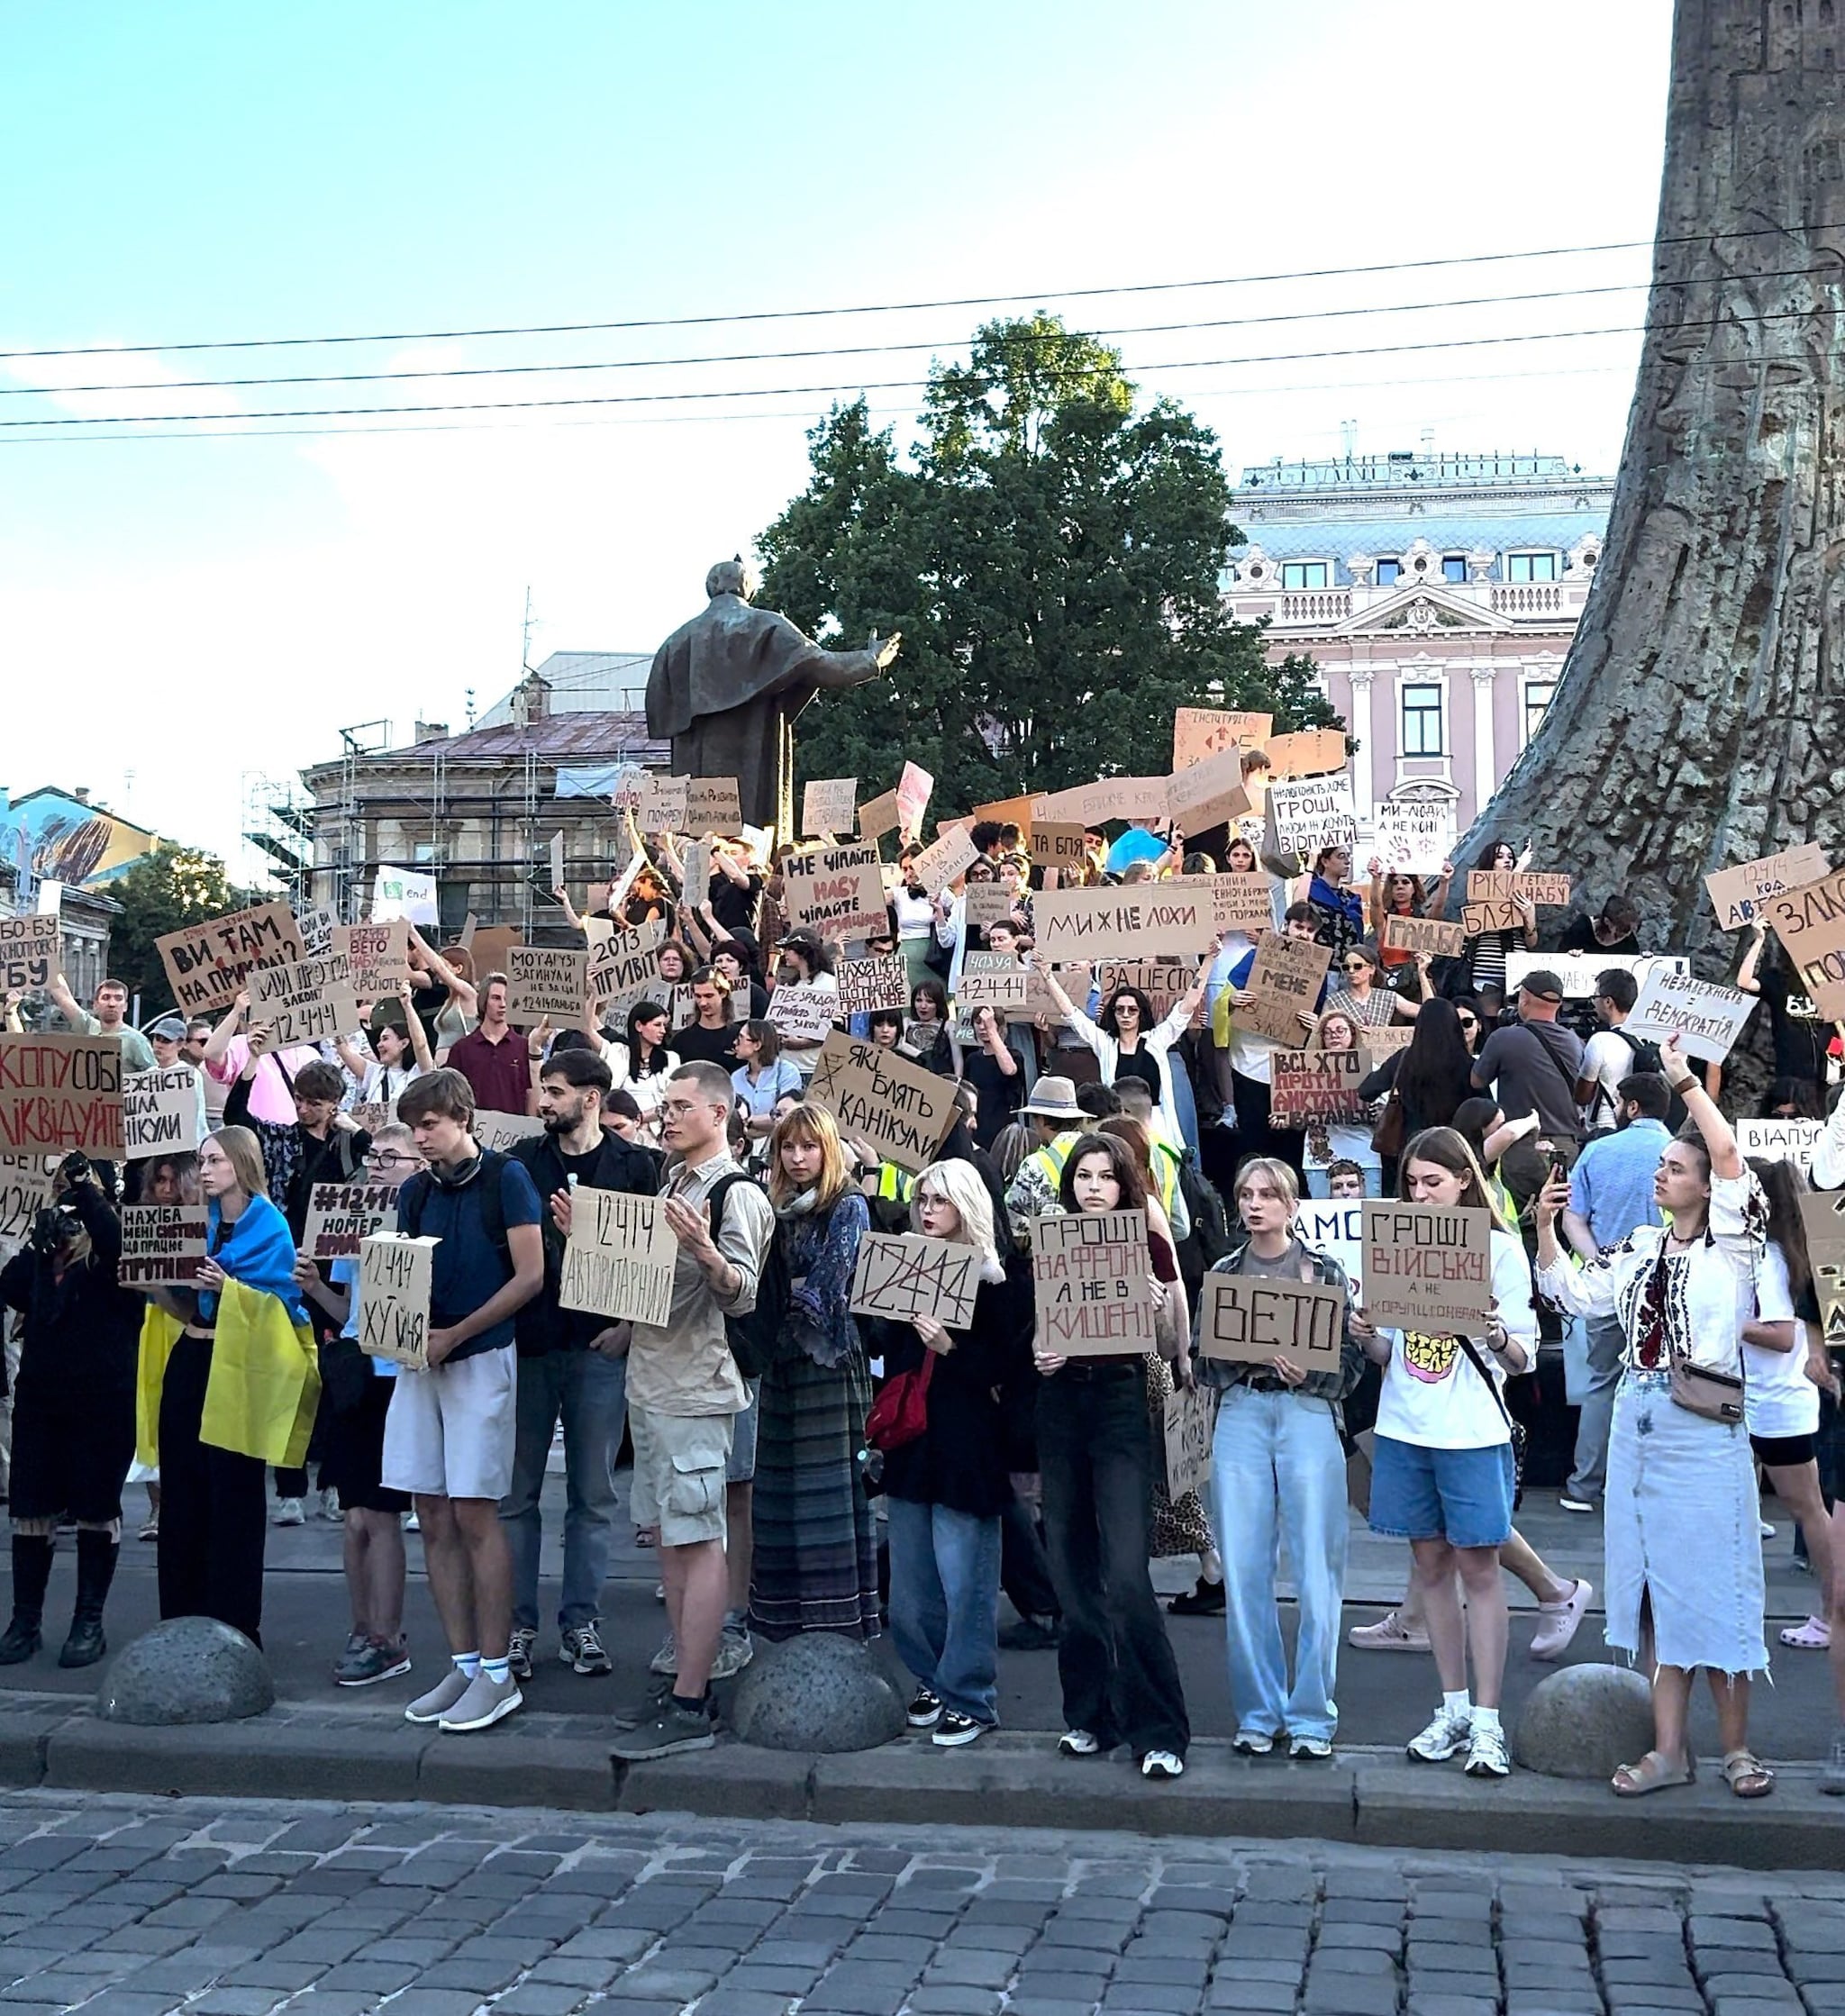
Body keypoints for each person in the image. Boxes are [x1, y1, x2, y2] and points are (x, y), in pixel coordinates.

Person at [1535, 1039, 1773, 1797]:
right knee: (1654, 1596)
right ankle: (1671, 1750)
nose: (1660, 1175)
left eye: (1674, 1167)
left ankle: (1736, 1749)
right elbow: (1577, 1297)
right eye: (1662, 1166)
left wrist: (1681, 1081)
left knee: (1716, 1586)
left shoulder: (1733, 1248)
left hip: (1702, 1431)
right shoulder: (1638, 1248)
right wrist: (1545, 1230)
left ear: (1706, 1187)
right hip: (1638, 1432)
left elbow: (1730, 1150)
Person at [1352, 1126, 1538, 1779]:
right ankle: (1453, 1706)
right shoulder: (1395, 1245)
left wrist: (1494, 1333)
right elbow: (1388, 1355)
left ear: (1465, 1180)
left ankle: (1488, 1721)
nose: (1422, 1194)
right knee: (1429, 1565)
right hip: (1407, 1424)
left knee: (1480, 1568)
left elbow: (1522, 1356)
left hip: (1471, 1429)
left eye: (1434, 1181)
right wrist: (1368, 1333)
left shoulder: (1501, 1251)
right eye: (1412, 1183)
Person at [610, 1061, 775, 1760]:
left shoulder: (736, 1193)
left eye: (681, 1106)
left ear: (718, 1112)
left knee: (699, 1540)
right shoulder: (675, 1179)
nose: (667, 1116)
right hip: (652, 1381)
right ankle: (684, 1673)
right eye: (665, 1105)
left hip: (696, 1389)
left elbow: (741, 1292)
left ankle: (692, 1698)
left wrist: (707, 1251)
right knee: (672, 1542)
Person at [386, 1070, 546, 1735]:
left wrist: (459, 1331)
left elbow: (532, 1275)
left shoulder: (507, 1179)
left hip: (480, 1356)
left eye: (431, 1124)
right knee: (430, 1508)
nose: (421, 1138)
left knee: (477, 1511)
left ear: (463, 1118)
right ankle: (461, 1660)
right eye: (415, 1126)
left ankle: (497, 1670)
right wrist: (403, 1327)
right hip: (425, 1359)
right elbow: (400, 1273)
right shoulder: (414, 1191)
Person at [1034, 1133, 1190, 1780]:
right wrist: (1039, 1354)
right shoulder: (1047, 1242)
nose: (1093, 1186)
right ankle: (1090, 1716)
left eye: (1105, 1176)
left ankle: (1160, 1730)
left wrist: (1155, 1311)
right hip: (1061, 1407)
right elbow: (1030, 1327)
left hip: (1123, 1404)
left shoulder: (1145, 1241)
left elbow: (1176, 1337)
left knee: (1126, 1574)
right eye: (1083, 1176)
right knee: (1071, 1572)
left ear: (1125, 1185)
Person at [500, 1049, 657, 1681]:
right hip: (533, 1344)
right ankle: (515, 1625)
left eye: (557, 1091)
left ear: (592, 1099)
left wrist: (628, 1327)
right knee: (517, 1495)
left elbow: (651, 1259)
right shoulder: (520, 1163)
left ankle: (581, 1621)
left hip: (599, 1348)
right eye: (544, 1089)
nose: (545, 1101)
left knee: (593, 1494)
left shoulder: (637, 1165)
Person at [1201, 1158, 1364, 1758]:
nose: (1255, 1203)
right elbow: (1202, 1362)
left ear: (1292, 1205)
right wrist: (1242, 1361)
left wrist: (1309, 1372)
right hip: (1242, 1412)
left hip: (1306, 1414)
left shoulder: (1324, 1272)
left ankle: (1313, 1716)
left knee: (1319, 1570)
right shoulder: (1223, 1270)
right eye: (1246, 1193)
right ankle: (1258, 1712)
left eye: (1268, 1194)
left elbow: (1349, 1370)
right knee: (1244, 1570)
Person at [872, 1159, 1032, 1745]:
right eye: (922, 1200)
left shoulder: (1001, 1281)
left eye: (939, 1200)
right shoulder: (907, 1260)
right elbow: (883, 1347)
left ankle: (970, 1694)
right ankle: (932, 1680)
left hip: (968, 1445)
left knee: (966, 1581)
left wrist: (947, 1344)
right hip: (914, 1444)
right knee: (912, 1591)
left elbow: (1003, 1369)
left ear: (966, 1205)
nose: (928, 1210)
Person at [157, 1126, 306, 1646]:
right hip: (193, 1357)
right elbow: (182, 1307)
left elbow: (286, 1309)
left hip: (240, 1365)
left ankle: (236, 1623)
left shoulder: (271, 1226)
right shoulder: (199, 1223)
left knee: (234, 1495)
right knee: (183, 1490)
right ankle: (180, 1614)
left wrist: (231, 1288)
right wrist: (157, 1285)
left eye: (215, 1159)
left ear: (241, 1163)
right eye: (202, 1160)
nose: (206, 1170)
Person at [293, 1123, 425, 1686]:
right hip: (356, 1375)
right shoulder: (356, 1223)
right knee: (352, 1517)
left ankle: (388, 1637)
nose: (376, 1166)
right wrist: (315, 1284)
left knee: (381, 1513)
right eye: (374, 1157)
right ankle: (361, 1626)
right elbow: (346, 1305)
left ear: (417, 1167)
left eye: (391, 1159)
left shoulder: (425, 1220)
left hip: (398, 1378)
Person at [0, 1154, 141, 1667]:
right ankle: (25, 1621)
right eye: (60, 1186)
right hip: (42, 1394)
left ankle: (88, 1621)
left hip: (102, 1395)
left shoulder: (114, 1248)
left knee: (95, 1507)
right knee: (31, 1508)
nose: (68, 1196)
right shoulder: (46, 1248)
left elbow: (119, 1247)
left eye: (77, 1189)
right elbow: (10, 1288)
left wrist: (88, 1192)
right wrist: (36, 1245)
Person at [750, 1103, 879, 1642]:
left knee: (828, 1495)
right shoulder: (772, 1203)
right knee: (779, 1493)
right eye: (789, 1147)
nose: (798, 1157)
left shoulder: (848, 1205)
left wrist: (767, 1301)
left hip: (828, 1361)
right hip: (778, 1363)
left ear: (828, 1151)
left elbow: (831, 1285)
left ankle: (838, 1624)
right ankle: (784, 1621)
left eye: (809, 1147)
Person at [1557, 1075, 1672, 1514]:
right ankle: (1652, 1489)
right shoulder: (1686, 1154)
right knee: (1666, 1383)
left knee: (1602, 1383)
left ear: (1632, 1107)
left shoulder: (1598, 1151)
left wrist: (1602, 1260)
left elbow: (1573, 1220)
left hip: (1608, 1289)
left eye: (1621, 1101)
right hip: (1669, 1287)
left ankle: (1585, 1485)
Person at [1741, 1156, 1833, 1655]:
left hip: (1775, 1402)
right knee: (1801, 1510)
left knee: (1809, 1511)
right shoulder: (1781, 1249)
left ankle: (1831, 1612)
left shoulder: (1770, 1255)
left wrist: (1727, 1325)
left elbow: (1779, 1335)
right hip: (1770, 1399)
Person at [1034, 957, 1210, 1150]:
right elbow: (1072, 1014)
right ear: (1113, 1013)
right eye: (1120, 1010)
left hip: (1157, 1126)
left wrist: (1209, 960)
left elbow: (1188, 1004)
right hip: (1118, 1129)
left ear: (1141, 1013)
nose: (1126, 1015)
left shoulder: (1157, 1040)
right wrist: (1047, 974)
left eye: (1132, 1010)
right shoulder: (1105, 1044)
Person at [1469, 969, 1586, 1170]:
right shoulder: (1576, 1042)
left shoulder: (1503, 1037)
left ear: (1524, 999)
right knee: (1558, 1201)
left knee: (1522, 1201)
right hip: (1567, 1146)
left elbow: (1477, 1081)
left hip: (1521, 1143)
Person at [1359, 998, 1477, 1191]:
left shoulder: (1404, 1059)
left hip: (1408, 1152)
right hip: (1453, 1151)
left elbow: (1366, 1090)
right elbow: (1487, 1108)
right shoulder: (1468, 1065)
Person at [1738, 918, 1833, 1113]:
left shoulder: (1831, 983)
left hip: (1822, 1079)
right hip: (1788, 1079)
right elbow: (1744, 981)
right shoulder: (1777, 980)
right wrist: (1759, 940)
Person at [1003, 1076, 1087, 1240]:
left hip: (1054, 1255)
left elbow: (1014, 1224)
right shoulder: (1098, 1151)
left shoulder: (1035, 1164)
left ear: (1041, 1119)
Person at [443, 975, 533, 1118]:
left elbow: (531, 1093)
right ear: (484, 1001)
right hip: (475, 1131)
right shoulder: (462, 1048)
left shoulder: (524, 1047)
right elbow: (452, 1096)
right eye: (496, 998)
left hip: (515, 1132)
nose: (503, 1004)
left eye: (507, 999)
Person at [1575, 969, 1650, 1131]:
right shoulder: (1649, 1039)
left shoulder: (1601, 1041)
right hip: (1640, 1128)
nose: (1593, 1002)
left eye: (1595, 996)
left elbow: (1582, 1096)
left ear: (1608, 1002)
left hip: (1606, 1128)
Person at [1461, 839, 1538, 996]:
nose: (1507, 861)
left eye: (1510, 857)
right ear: (1490, 862)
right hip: (1487, 967)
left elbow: (1531, 942)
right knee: (1489, 1019)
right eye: (1500, 856)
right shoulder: (1477, 892)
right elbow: (1473, 928)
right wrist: (1519, 869)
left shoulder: (1524, 897)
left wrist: (1529, 919)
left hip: (1519, 966)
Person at [46, 971, 154, 1072]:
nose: (112, 1004)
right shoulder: (88, 1028)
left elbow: (155, 1077)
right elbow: (64, 997)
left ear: (125, 1006)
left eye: (118, 998)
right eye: (106, 997)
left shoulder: (136, 1040)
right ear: (95, 1005)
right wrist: (48, 961)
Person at [605, 999, 681, 1140]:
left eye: (664, 1025)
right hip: (621, 1133)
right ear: (639, 1026)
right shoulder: (619, 1052)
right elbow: (589, 1029)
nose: (663, 1031)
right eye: (657, 1025)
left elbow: (673, 1100)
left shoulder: (671, 1059)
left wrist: (641, 1118)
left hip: (659, 1134)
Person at [772, 930, 840, 1082]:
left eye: (789, 949)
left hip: (814, 1068)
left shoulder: (830, 985)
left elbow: (834, 1031)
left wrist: (801, 1043)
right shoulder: (788, 987)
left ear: (803, 952)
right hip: (786, 1067)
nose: (785, 954)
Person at [959, 1003, 1023, 1150]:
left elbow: (1009, 1069)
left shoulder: (1015, 1056)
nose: (983, 1027)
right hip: (978, 1130)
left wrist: (992, 1030)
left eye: (987, 1022)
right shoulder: (972, 1059)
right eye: (978, 1022)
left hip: (1003, 1132)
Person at [730, 1020, 803, 1140]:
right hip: (745, 1145)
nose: (735, 1042)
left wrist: (748, 1121)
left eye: (741, 1038)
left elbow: (785, 1115)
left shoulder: (786, 1072)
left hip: (778, 1143)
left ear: (757, 1045)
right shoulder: (736, 1077)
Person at [144, 1016, 210, 1146]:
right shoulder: (148, 1074)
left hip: (183, 1148)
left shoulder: (189, 1074)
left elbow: (197, 1116)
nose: (159, 1045)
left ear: (180, 1044)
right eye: (157, 1038)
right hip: (154, 1146)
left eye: (166, 1040)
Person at [673, 967, 741, 1069]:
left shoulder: (738, 1037)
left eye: (709, 996)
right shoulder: (681, 1040)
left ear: (723, 993)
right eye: (698, 996)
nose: (703, 1003)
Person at [1559, 893, 1642, 956]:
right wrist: (1570, 955)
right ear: (1607, 922)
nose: (1626, 935)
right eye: (1622, 930)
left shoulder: (1629, 941)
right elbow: (1560, 956)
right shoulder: (1581, 929)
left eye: (1630, 931)